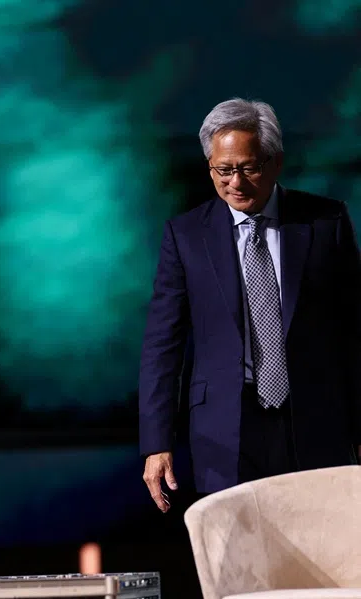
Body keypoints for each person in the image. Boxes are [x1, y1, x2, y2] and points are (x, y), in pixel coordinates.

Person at [139, 97, 360, 512]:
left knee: (320, 555)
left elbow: (354, 332)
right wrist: (156, 443)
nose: (235, 183)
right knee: (239, 563)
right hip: (224, 428)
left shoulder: (326, 223)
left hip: (314, 420)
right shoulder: (186, 236)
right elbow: (162, 346)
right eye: (223, 170)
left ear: (275, 162)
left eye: (248, 168)